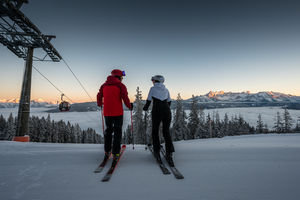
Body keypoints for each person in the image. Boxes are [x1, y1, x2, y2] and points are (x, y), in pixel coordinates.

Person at [97, 69, 133, 163]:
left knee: (108, 131)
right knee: (117, 132)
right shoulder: (121, 86)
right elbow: (125, 97)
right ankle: (116, 153)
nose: (122, 79)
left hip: (107, 113)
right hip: (118, 113)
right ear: (119, 77)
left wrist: (100, 103)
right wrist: (130, 106)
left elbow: (99, 95)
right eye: (122, 77)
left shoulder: (104, 85)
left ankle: (107, 151)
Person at [143, 75, 175, 165]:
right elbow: (169, 101)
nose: (152, 82)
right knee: (166, 132)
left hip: (157, 111)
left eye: (153, 80)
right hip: (167, 112)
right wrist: (165, 110)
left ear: (156, 81)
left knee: (155, 131)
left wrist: (145, 108)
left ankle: (156, 150)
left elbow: (149, 100)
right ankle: (169, 153)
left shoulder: (152, 89)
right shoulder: (166, 89)